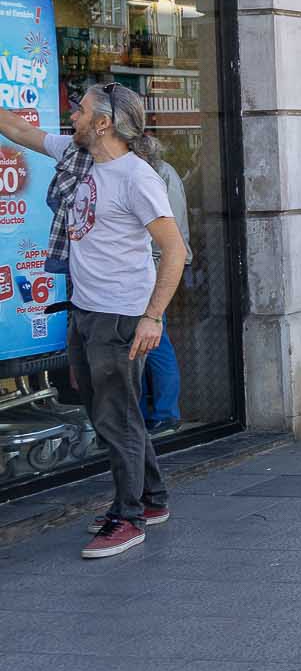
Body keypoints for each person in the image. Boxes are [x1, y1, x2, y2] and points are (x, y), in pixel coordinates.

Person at [0, 84, 186, 559]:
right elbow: (21, 129)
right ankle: (152, 498)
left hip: (121, 316)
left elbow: (175, 251)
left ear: (103, 123)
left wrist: (152, 317)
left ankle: (129, 518)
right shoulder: (77, 155)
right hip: (86, 310)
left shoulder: (135, 178)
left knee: (115, 419)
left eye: (79, 108)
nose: (73, 114)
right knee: (112, 413)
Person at [139, 146, 189, 433]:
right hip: (158, 260)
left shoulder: (154, 174)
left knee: (155, 340)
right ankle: (160, 412)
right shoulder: (161, 171)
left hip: (156, 262)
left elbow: (166, 234)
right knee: (151, 340)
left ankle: (165, 412)